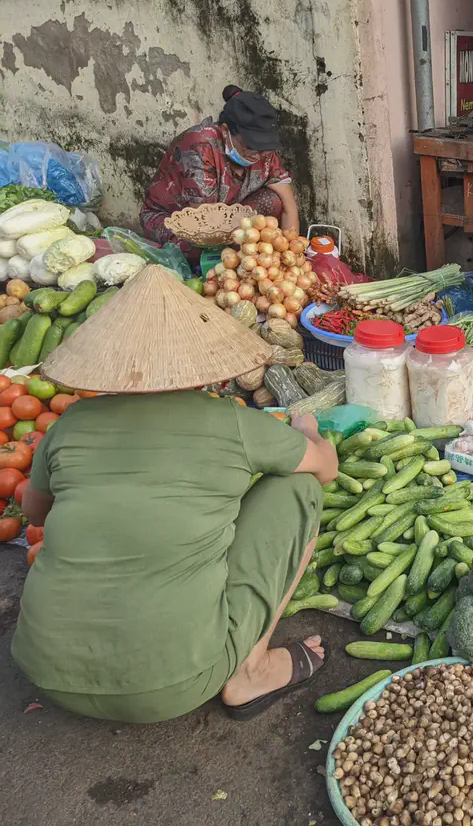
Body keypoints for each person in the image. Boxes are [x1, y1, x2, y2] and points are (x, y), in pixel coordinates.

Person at [11, 266, 338, 723]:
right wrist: (307, 428)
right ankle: (250, 670)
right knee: (299, 489)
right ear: (201, 361)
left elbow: (35, 513)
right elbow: (325, 469)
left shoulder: (70, 424)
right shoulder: (233, 423)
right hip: (171, 686)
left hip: (44, 669)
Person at [140, 85, 300, 263]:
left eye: (263, 148)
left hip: (227, 213)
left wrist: (292, 254)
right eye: (249, 146)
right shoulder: (199, 146)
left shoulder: (263, 152)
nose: (257, 155)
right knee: (198, 249)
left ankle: (238, 258)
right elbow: (205, 224)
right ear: (225, 131)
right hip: (178, 219)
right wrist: (245, 248)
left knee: (273, 200)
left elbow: (288, 204)